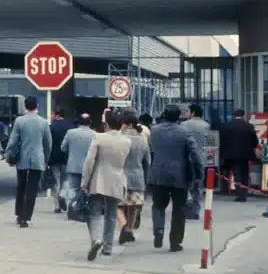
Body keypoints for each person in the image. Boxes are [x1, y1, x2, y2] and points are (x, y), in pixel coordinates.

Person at [147, 105, 202, 252]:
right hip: (180, 176)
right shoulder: (184, 132)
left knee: (158, 205)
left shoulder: (154, 130)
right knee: (179, 210)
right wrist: (198, 173)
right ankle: (175, 242)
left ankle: (158, 230)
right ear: (179, 117)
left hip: (158, 174)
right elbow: (195, 155)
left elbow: (150, 151)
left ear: (164, 114)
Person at [80, 110, 131, 261]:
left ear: (106, 124)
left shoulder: (98, 137)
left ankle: (96, 239)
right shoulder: (127, 141)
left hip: (98, 179)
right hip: (117, 179)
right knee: (111, 214)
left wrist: (84, 182)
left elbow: (89, 161)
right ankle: (108, 247)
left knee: (94, 213)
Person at [5, 96, 52, 228]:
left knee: (21, 186)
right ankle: (26, 217)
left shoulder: (19, 121)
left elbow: (13, 140)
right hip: (38, 159)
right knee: (32, 189)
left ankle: (19, 213)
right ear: (36, 106)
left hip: (22, 159)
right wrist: (46, 159)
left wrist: (8, 154)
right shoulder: (43, 122)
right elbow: (48, 143)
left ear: (25, 106)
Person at [117, 111, 152, 245]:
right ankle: (130, 231)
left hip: (120, 176)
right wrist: (146, 178)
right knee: (133, 207)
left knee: (116, 204)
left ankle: (123, 225)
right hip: (138, 176)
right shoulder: (142, 138)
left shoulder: (121, 138)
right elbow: (148, 161)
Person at [218, 109, 259, 202]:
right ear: (243, 116)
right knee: (245, 173)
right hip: (246, 154)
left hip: (232, 154)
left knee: (237, 173)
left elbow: (222, 141)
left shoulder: (227, 126)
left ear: (233, 115)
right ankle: (244, 192)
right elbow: (255, 142)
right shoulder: (249, 126)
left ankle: (240, 194)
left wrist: (222, 154)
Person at [181, 104, 211, 219]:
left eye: (188, 111)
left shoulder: (183, 125)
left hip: (186, 157)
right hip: (200, 158)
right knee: (198, 185)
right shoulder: (206, 125)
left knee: (186, 183)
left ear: (192, 113)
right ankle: (196, 210)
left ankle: (186, 208)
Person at [61, 113, 96, 208]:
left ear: (78, 122)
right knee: (87, 188)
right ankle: (86, 208)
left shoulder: (70, 132)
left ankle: (73, 208)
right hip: (89, 167)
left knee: (73, 189)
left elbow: (63, 148)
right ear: (90, 122)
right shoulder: (95, 135)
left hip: (73, 165)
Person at [45, 109, 74, 212]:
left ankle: (57, 207)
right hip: (67, 157)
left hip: (54, 157)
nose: (51, 116)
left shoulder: (51, 127)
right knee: (66, 179)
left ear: (56, 115)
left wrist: (46, 158)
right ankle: (63, 194)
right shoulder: (70, 126)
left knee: (56, 180)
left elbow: (48, 143)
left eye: (52, 114)